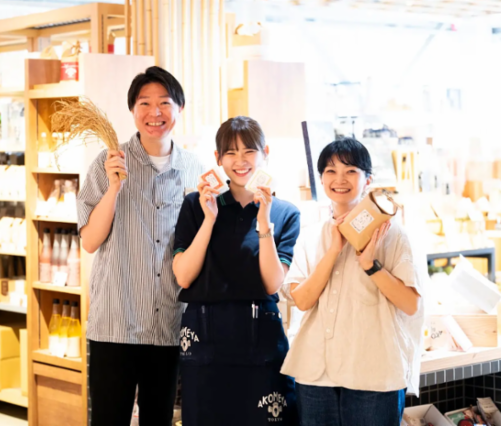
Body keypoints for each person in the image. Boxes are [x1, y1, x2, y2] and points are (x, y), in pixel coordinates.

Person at [77, 66, 204, 426]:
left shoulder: (194, 170)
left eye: (165, 102)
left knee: (159, 420)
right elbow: (90, 241)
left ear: (179, 108)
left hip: (168, 323)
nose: (155, 112)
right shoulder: (108, 163)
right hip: (115, 322)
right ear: (132, 110)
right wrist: (114, 187)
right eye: (145, 103)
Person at [281, 138, 424, 426]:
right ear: (321, 179)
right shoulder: (311, 235)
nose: (340, 179)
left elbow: (411, 304)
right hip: (316, 374)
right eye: (331, 171)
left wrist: (371, 266)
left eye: (350, 171)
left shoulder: (392, 234)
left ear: (368, 180)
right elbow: (302, 300)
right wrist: (334, 249)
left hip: (373, 373)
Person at [173, 116, 301, 426]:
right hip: (204, 339)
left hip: (261, 338)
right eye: (230, 152)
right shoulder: (195, 204)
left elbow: (272, 284)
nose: (240, 161)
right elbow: (184, 276)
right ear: (218, 158)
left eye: (249, 151)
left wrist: (263, 222)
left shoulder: (285, 213)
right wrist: (209, 219)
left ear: (265, 153)